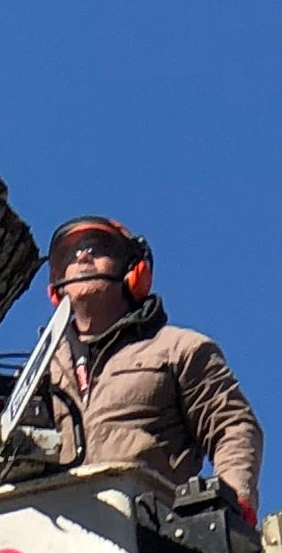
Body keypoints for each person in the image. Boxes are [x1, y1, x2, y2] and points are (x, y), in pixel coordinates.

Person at [44, 216, 263, 523]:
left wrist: (232, 509)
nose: (82, 256)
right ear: (55, 285)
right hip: (52, 551)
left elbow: (233, 426)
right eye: (70, 255)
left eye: (97, 248)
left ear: (135, 271)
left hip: (153, 538)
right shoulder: (33, 378)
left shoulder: (179, 349)